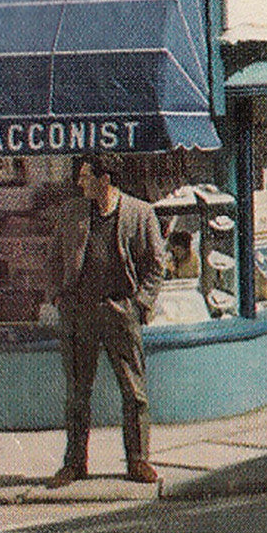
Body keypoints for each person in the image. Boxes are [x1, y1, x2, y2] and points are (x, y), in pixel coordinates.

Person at [48, 153, 167, 487]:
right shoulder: (72, 212)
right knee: (77, 393)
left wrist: (140, 303)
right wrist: (58, 296)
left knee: (134, 392)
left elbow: (157, 265)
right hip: (80, 313)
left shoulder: (140, 213)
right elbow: (55, 257)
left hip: (120, 311)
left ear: (105, 179)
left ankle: (138, 461)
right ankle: (74, 463)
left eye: (86, 177)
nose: (79, 182)